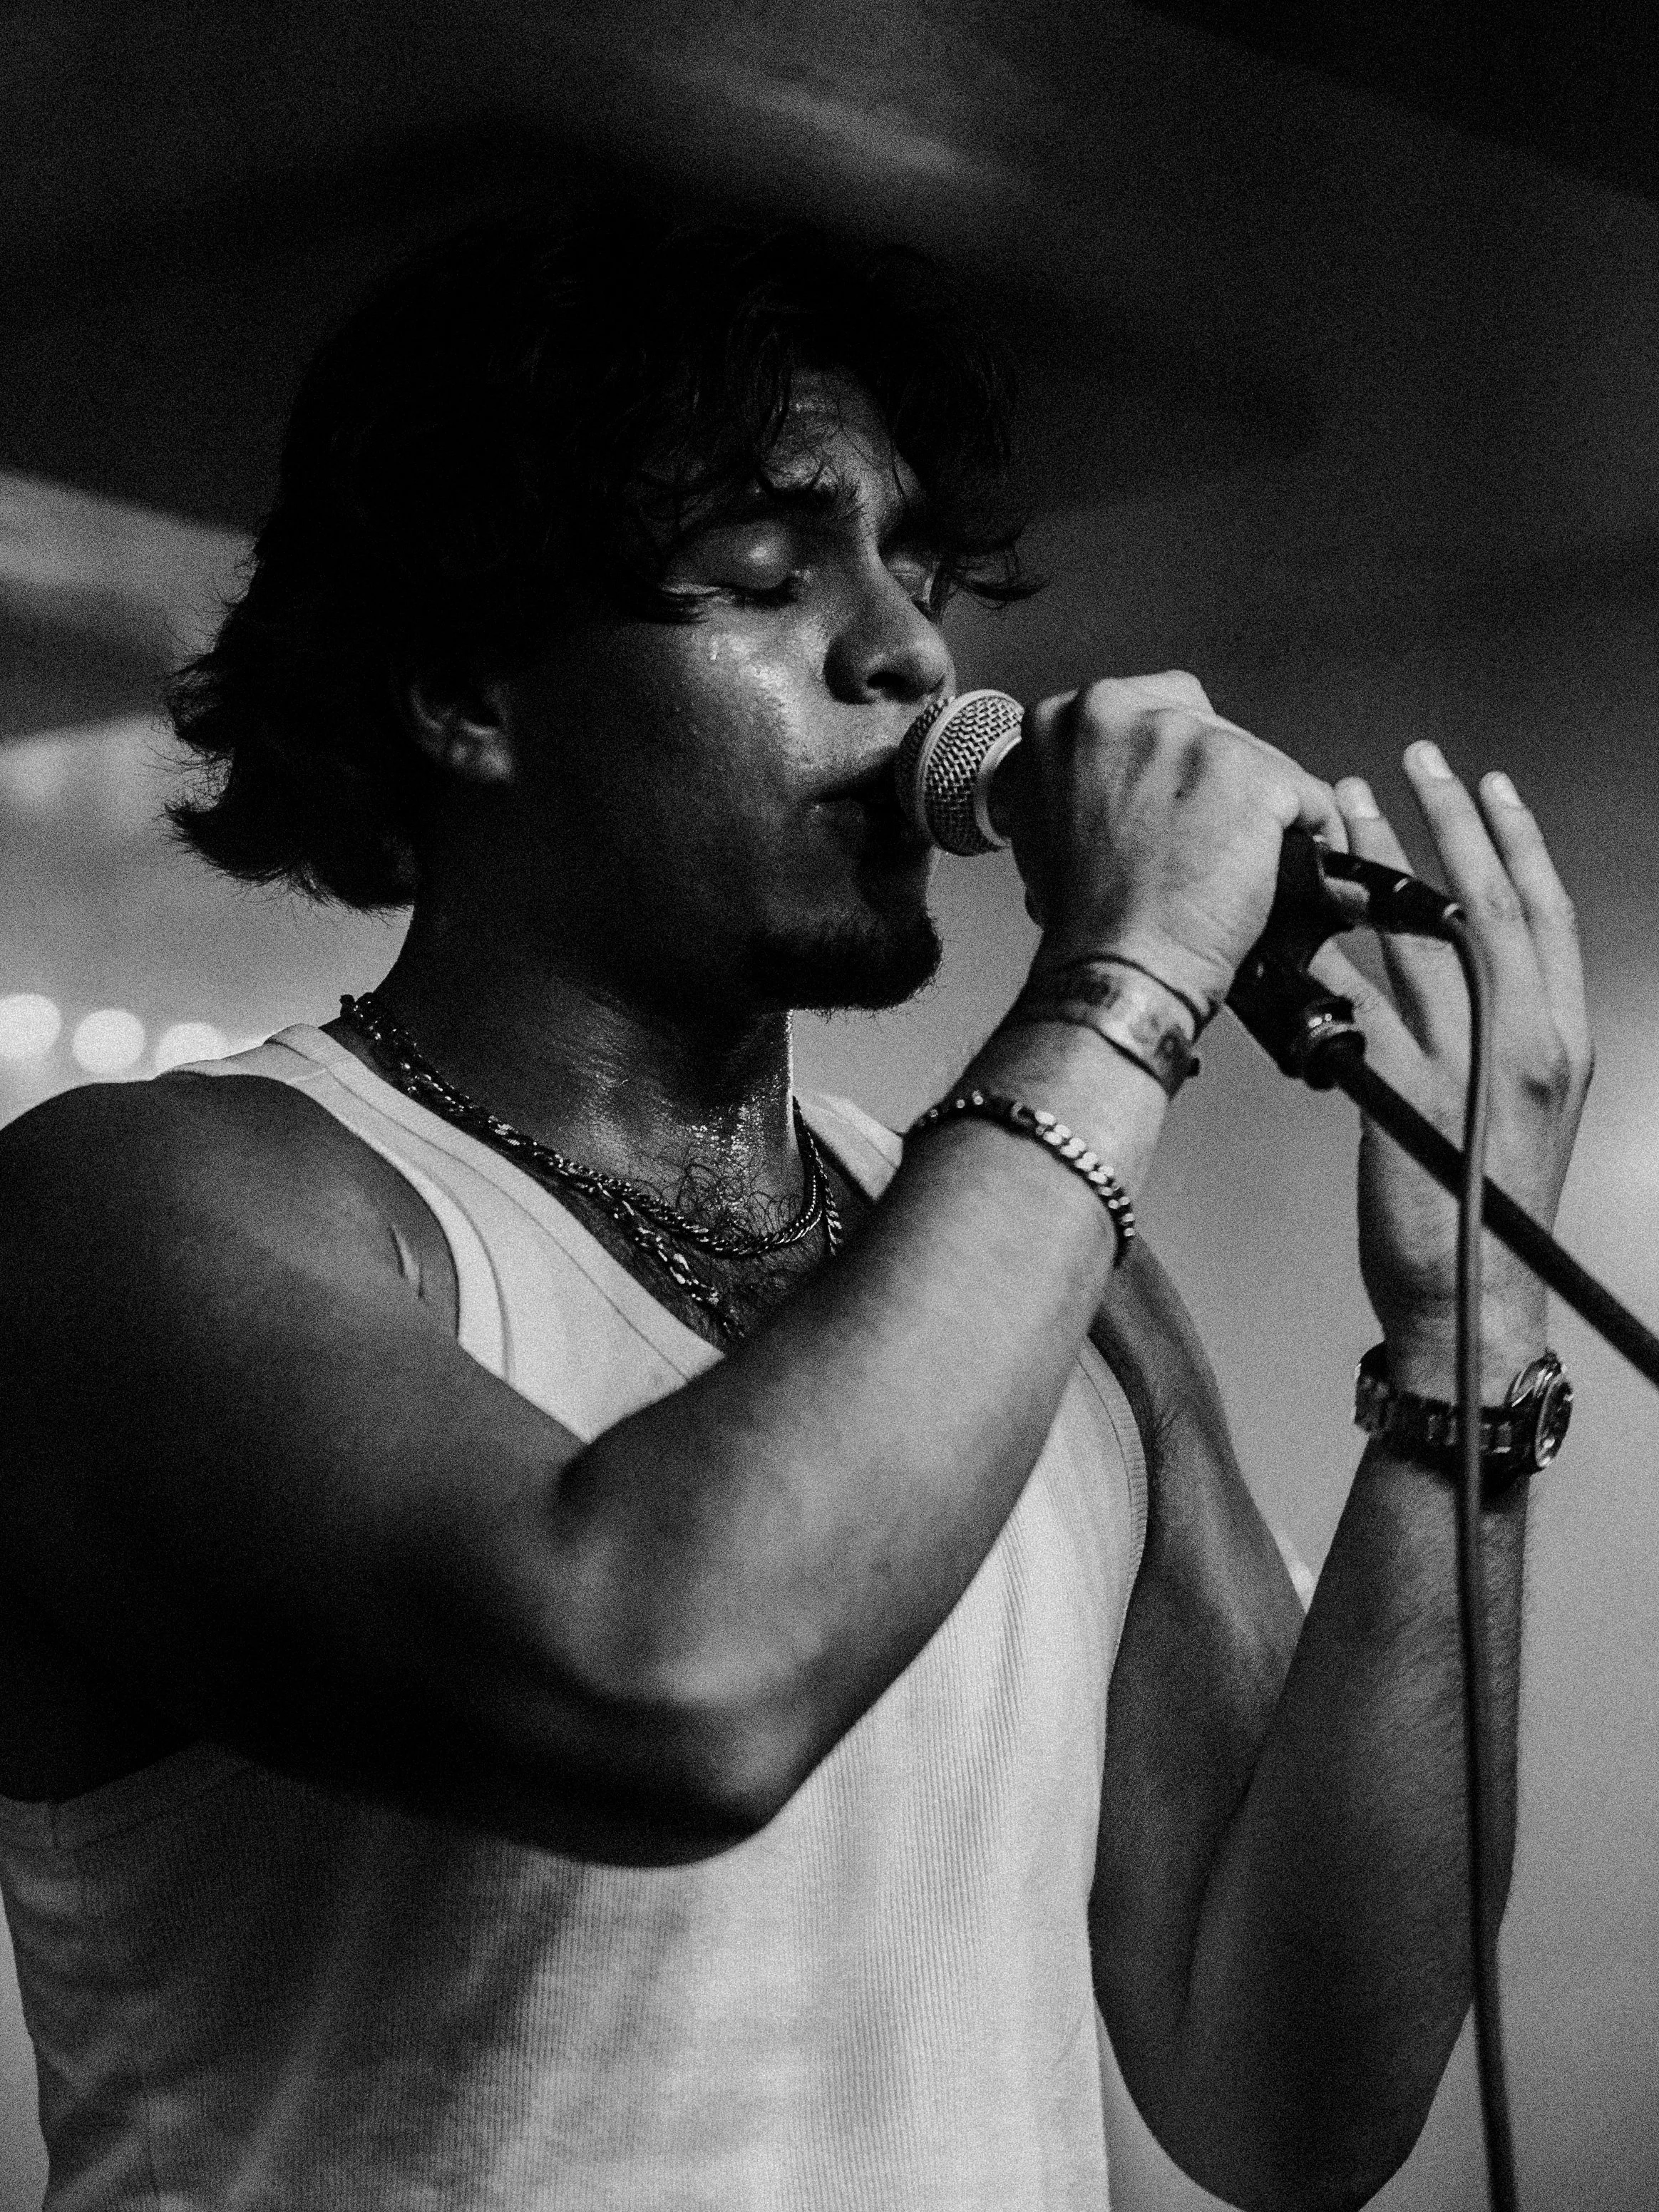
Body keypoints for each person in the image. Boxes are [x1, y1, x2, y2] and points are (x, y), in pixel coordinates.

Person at [0, 209, 1591, 2212]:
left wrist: (1464, 1350)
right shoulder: (138, 1213)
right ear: (467, 693)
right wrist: (1120, 990)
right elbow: (660, 1683)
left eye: (914, 566)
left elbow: (1288, 2099)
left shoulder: (1057, 1290)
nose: (909, 651)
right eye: (766, 569)